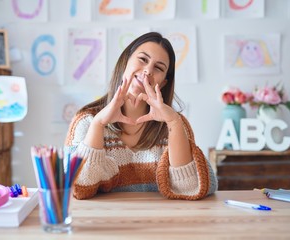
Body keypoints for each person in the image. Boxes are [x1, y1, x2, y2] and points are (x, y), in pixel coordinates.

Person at [65, 32, 217, 200]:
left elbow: (191, 188)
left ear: (164, 82)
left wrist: (174, 123)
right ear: (125, 62)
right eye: (143, 59)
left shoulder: (174, 124)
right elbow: (78, 189)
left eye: (158, 68)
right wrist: (98, 124)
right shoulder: (86, 122)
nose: (147, 71)